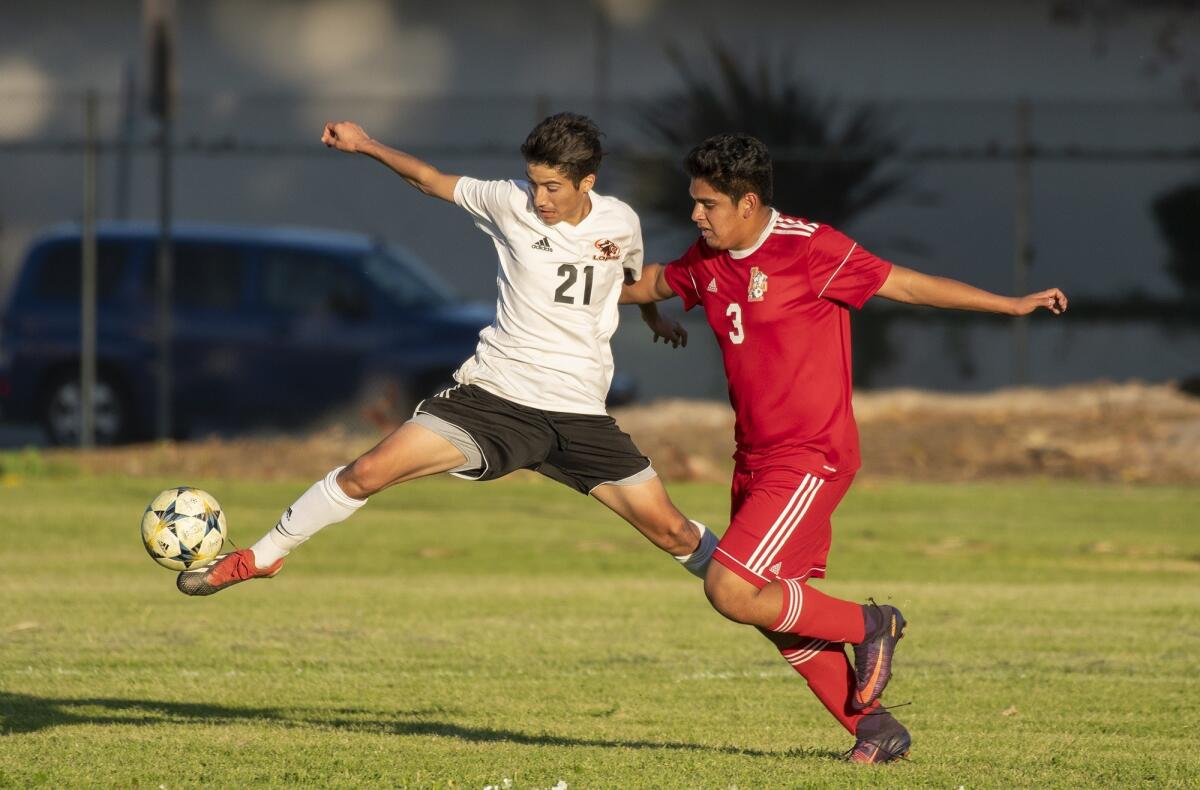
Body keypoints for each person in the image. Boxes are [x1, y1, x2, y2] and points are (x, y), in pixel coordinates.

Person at [620, 133, 1068, 763]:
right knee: (773, 610)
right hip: (753, 456)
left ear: (747, 203)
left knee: (730, 588)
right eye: (694, 201)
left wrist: (1009, 304)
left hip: (811, 455)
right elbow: (648, 285)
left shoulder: (811, 249)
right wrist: (561, 272)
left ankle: (872, 624)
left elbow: (906, 285)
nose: (696, 214)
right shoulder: (708, 257)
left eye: (707, 203)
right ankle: (877, 729)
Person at [177, 113, 718, 596]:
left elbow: (624, 281)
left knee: (671, 530)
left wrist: (655, 318)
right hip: (495, 398)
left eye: (553, 187)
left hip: (578, 413)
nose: (541, 199)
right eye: (535, 184)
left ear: (587, 183)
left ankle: (755, 583)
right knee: (367, 471)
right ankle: (261, 556)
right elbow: (429, 180)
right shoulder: (509, 202)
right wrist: (367, 144)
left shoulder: (619, 220)